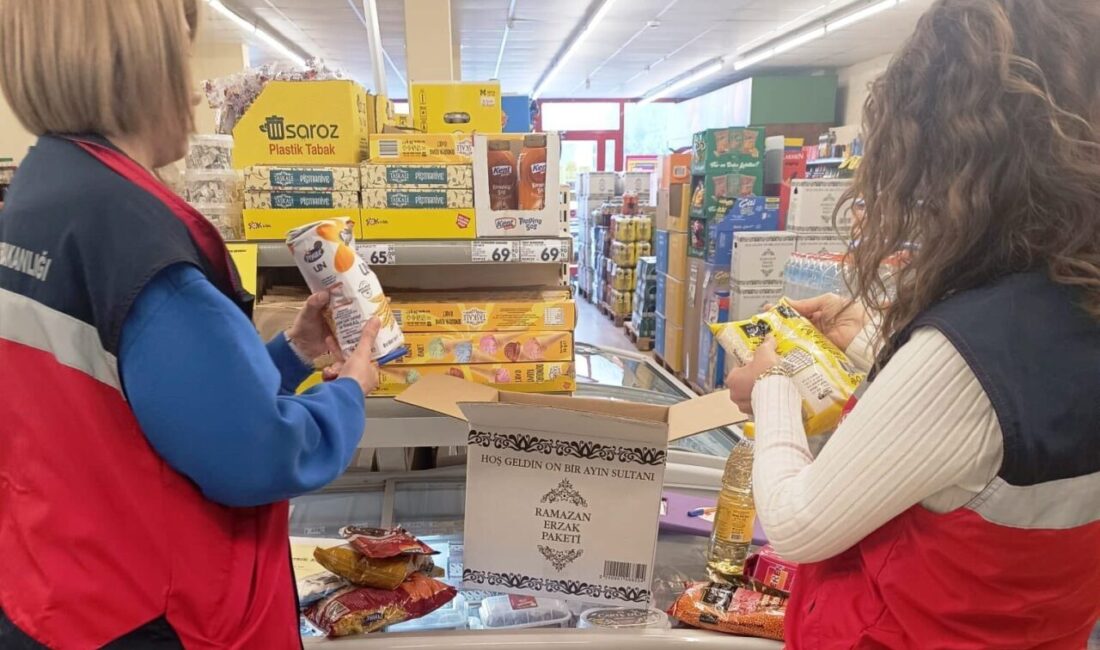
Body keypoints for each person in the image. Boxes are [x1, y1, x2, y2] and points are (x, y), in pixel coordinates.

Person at [0, 1, 377, 647]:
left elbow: (133, 395)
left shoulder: (41, 197)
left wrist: (286, 357)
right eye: (180, 56)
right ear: (133, 68)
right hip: (160, 612)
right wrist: (352, 391)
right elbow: (256, 456)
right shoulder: (133, 237)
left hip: (61, 587)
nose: (195, 91)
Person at [727, 0, 1100, 647]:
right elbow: (1000, 431)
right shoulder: (1074, 297)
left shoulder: (968, 353)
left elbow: (798, 523)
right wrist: (867, 332)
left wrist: (774, 387)